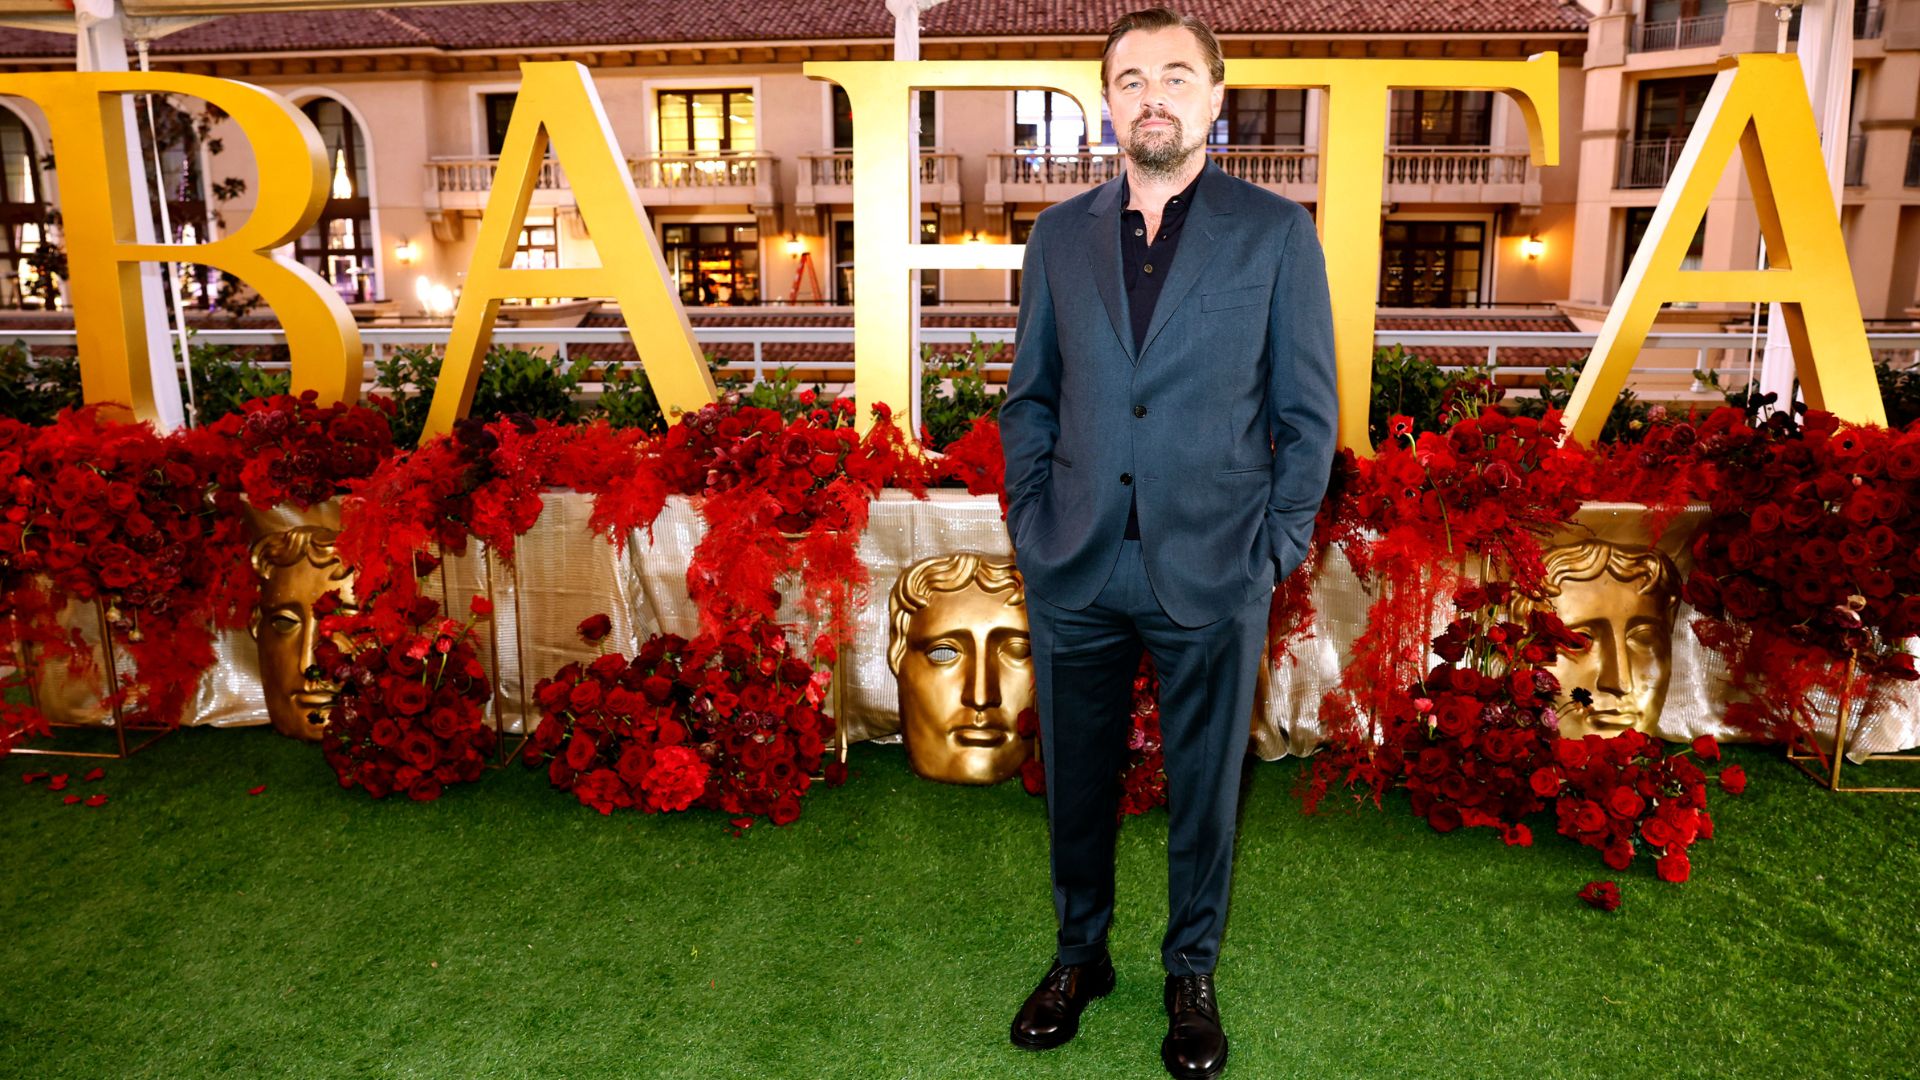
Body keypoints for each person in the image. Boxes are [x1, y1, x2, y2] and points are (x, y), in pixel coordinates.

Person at [997, 8, 1338, 1079]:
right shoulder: (1058, 237)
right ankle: (1077, 955)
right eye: (1131, 77)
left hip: (1216, 560)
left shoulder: (1275, 233)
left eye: (1177, 76)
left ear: (1215, 98)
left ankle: (1190, 971)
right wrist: (1031, 517)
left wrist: (1277, 548)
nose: (1154, 94)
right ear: (1107, 101)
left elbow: (1308, 413)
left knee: (1206, 784)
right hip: (1078, 562)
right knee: (1078, 777)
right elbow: (1030, 400)